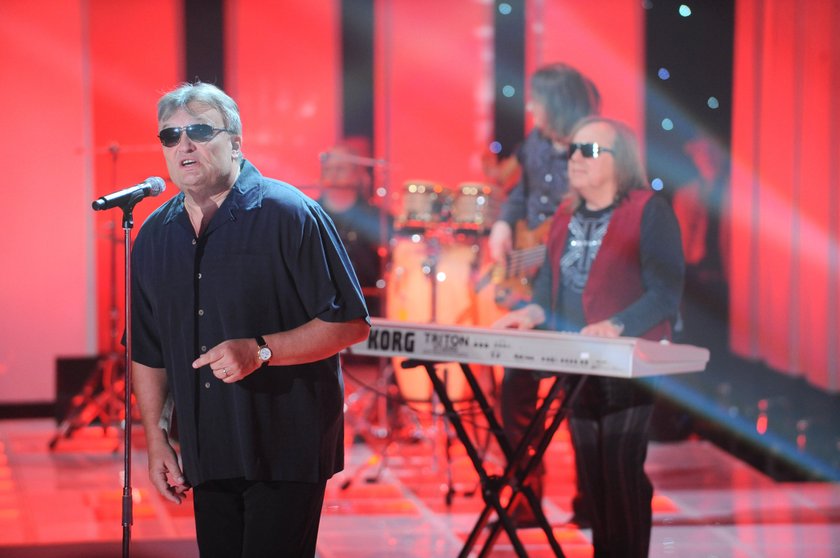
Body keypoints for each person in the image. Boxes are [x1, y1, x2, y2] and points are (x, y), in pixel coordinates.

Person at [130, 82, 370, 557]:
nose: (184, 145)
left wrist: (261, 350)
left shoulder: (289, 213)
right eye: (171, 136)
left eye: (200, 131)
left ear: (236, 143)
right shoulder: (155, 235)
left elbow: (349, 323)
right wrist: (156, 440)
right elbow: (148, 349)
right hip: (207, 448)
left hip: (285, 446)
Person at [495, 116, 685, 557]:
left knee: (620, 470)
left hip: (629, 362)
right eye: (572, 151)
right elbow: (548, 289)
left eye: (590, 151)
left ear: (622, 161)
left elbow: (665, 294)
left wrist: (615, 325)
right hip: (577, 361)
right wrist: (531, 313)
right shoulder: (565, 215)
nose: (575, 159)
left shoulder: (649, 210)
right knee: (593, 472)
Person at [486, 62, 601, 527]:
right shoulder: (535, 142)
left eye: (537, 100)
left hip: (577, 292)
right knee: (516, 390)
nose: (531, 107)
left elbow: (603, 214)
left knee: (580, 400)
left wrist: (552, 248)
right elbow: (522, 192)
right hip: (534, 286)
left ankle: (591, 503)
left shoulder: (593, 144)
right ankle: (525, 498)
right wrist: (502, 224)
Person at [318, 137, 392, 318]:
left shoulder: (378, 219)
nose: (333, 175)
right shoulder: (308, 215)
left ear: (357, 174)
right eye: (328, 169)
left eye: (340, 168)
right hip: (319, 311)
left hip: (368, 312)